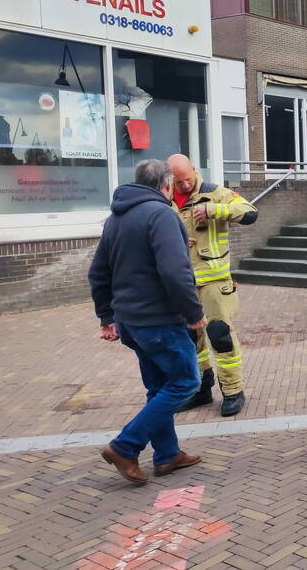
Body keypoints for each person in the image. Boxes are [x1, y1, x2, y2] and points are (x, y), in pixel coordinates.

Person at [88, 159, 207, 485]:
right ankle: (125, 446)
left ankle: (167, 454)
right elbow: (175, 272)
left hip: (131, 324)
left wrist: (107, 317)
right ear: (166, 184)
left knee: (158, 388)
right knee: (185, 382)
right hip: (160, 322)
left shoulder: (115, 219)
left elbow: (98, 272)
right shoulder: (162, 215)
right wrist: (194, 314)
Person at [167, 154, 258, 417]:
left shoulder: (215, 193)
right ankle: (201, 389)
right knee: (189, 340)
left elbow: (251, 213)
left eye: (187, 179)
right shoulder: (165, 199)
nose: (184, 185)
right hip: (182, 284)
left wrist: (215, 210)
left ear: (194, 170)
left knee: (220, 335)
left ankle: (233, 391)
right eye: (178, 181)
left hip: (215, 282)